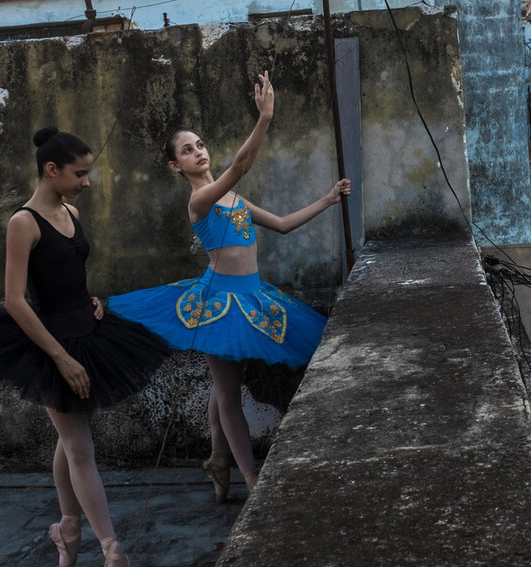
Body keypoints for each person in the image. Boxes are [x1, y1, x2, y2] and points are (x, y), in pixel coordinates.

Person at [0, 128, 170, 567]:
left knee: (70, 437)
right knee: (79, 446)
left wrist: (88, 301)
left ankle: (66, 529)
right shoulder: (22, 223)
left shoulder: (69, 212)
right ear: (52, 170)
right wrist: (61, 357)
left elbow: (69, 275)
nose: (87, 182)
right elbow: (14, 301)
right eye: (80, 173)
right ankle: (112, 551)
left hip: (87, 334)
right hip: (49, 344)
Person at [108, 71, 350, 503]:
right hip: (219, 301)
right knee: (228, 395)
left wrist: (328, 199)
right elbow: (239, 166)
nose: (198, 152)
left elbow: (282, 225)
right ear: (174, 166)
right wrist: (265, 118)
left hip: (253, 295)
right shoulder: (200, 200)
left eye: (199, 145)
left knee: (225, 391)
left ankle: (218, 462)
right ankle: (252, 479)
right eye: (187, 150)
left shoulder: (234, 200)